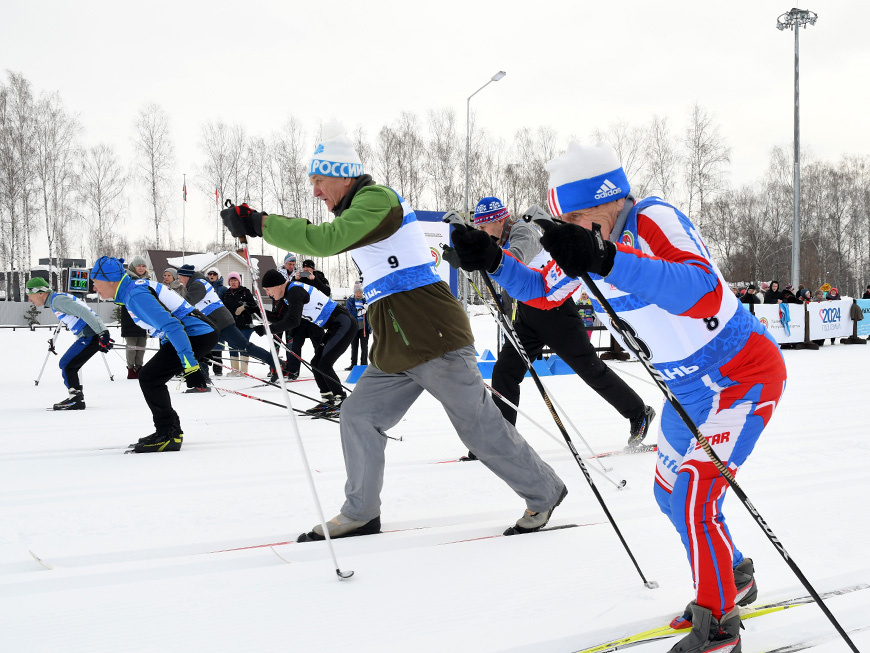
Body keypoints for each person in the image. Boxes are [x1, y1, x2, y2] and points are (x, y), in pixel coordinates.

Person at [455, 141, 787, 653]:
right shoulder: (587, 241)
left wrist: (608, 260)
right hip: (685, 391)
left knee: (698, 495)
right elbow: (543, 291)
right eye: (564, 220)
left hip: (739, 375)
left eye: (579, 217)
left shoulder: (653, 219)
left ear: (610, 200)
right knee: (670, 496)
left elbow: (702, 289)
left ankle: (719, 628)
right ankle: (733, 576)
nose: (573, 229)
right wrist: (495, 261)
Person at [219, 121, 566, 541]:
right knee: (359, 415)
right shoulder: (357, 209)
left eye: (318, 180)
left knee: (476, 424)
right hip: (396, 341)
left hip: (432, 331)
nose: (315, 191)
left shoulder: (377, 200)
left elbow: (328, 240)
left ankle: (544, 491)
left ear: (342, 173)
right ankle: (361, 512)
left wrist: (262, 223)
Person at [451, 195, 654, 464]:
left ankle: (638, 412)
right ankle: (500, 440)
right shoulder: (500, 237)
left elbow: (518, 258)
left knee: (589, 369)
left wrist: (487, 256)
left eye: (485, 229)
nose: (484, 235)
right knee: (505, 371)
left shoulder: (522, 231)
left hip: (556, 311)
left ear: (500, 221)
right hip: (528, 314)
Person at [91, 256, 218, 451]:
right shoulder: (132, 291)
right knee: (151, 377)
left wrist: (190, 365)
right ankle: (168, 431)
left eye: (95, 282)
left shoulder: (135, 294)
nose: (94, 288)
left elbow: (173, 325)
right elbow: (170, 321)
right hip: (196, 333)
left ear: (110, 280)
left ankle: (168, 434)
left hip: (195, 333)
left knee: (150, 377)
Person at [262, 268, 355, 414]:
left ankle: (342, 400)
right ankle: (328, 400)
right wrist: (255, 309)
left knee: (324, 364)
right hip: (333, 327)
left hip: (344, 324)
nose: (268, 294)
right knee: (316, 363)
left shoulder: (294, 292)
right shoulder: (287, 294)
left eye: (268, 289)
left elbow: (293, 321)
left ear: (278, 284)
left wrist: (268, 329)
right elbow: (279, 318)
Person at [176, 264, 276, 384]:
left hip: (221, 323)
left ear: (186, 276)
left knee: (245, 347)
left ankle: (277, 364)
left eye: (179, 277)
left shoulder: (197, 284)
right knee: (200, 348)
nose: (179, 280)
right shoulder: (197, 283)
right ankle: (202, 379)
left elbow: (185, 304)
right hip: (213, 324)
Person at [25, 277, 113, 410]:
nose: (30, 299)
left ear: (40, 293)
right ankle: (75, 397)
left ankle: (75, 399)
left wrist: (102, 333)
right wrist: (101, 335)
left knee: (67, 364)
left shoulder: (57, 300)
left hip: (89, 336)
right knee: (68, 364)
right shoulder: (56, 299)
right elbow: (85, 313)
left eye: (30, 295)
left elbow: (84, 312)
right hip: (89, 336)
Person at [221, 272, 261, 376]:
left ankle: (244, 371)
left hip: (245, 325)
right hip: (231, 325)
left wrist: (244, 307)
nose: (233, 282)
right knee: (232, 346)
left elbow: (254, 305)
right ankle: (235, 370)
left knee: (244, 345)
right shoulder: (226, 294)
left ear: (239, 281)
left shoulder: (245, 291)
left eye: (235, 280)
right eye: (231, 280)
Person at [121, 256, 150, 379]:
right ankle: (131, 368)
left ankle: (139, 367)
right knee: (132, 346)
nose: (141, 268)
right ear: (134, 267)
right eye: (139, 266)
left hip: (144, 316)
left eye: (143, 266)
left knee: (141, 346)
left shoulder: (147, 280)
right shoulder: (127, 279)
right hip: (130, 316)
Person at [344, 282, 370, 370]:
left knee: (364, 346)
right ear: (354, 292)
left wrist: (367, 309)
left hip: (364, 328)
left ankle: (364, 364)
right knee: (354, 346)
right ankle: (353, 364)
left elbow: (370, 314)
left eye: (360, 292)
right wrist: (359, 312)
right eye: (357, 292)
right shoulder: (350, 300)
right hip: (354, 327)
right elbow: (349, 313)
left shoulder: (366, 301)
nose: (358, 294)